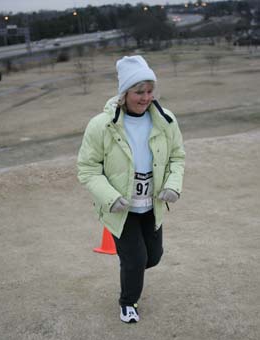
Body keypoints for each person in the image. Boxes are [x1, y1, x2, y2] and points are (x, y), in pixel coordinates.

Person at [77, 55, 185, 323]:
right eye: (139, 92)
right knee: (136, 259)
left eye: (150, 91)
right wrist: (110, 198)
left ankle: (131, 264)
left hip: (152, 204)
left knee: (153, 257)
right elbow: (88, 169)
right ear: (124, 93)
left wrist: (173, 185)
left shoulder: (166, 120)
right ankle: (128, 303)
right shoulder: (101, 125)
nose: (146, 97)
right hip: (120, 208)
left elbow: (177, 157)